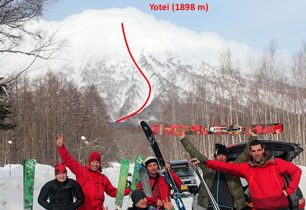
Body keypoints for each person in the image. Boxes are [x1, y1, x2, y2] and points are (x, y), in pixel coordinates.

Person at [191, 139, 302, 210]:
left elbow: (297, 171)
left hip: (280, 207)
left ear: (263, 150)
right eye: (253, 151)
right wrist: (205, 162)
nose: (256, 153)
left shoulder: (277, 162)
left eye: (259, 150)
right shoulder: (247, 168)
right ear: (250, 153)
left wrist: (288, 191)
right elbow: (227, 167)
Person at [180, 133, 255, 210]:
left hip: (228, 206)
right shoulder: (208, 167)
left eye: (223, 155)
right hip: (211, 205)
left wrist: (252, 139)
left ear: (227, 157)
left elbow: (245, 155)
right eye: (219, 155)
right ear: (215, 157)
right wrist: (183, 139)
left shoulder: (233, 167)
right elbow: (195, 153)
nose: (221, 157)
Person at [56, 134, 130, 210]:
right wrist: (61, 147)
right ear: (90, 162)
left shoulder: (103, 178)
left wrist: (130, 190)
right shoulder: (81, 172)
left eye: (97, 162)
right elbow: (69, 161)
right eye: (93, 162)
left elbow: (113, 192)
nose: (95, 164)